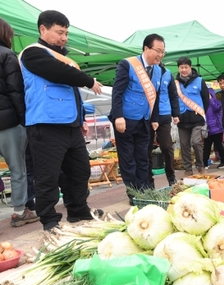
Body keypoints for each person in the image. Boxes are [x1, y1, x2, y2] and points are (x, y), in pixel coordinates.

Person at [19, 10, 104, 230]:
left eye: (66, 33)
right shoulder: (32, 54)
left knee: (80, 170)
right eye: (59, 32)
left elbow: (72, 92)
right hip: (46, 125)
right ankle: (49, 220)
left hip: (70, 125)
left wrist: (81, 119)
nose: (64, 38)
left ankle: (78, 210)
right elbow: (58, 73)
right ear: (43, 29)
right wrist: (87, 80)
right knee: (47, 176)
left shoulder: (65, 58)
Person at [110, 33, 164, 204]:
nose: (160, 55)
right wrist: (118, 116)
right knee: (128, 159)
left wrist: (154, 117)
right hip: (125, 120)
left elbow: (156, 94)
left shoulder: (158, 70)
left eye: (163, 52)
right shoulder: (128, 64)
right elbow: (117, 91)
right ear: (146, 48)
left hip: (144, 121)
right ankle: (133, 193)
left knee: (143, 158)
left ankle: (145, 191)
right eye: (158, 51)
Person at [0, 18, 32, 226]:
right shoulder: (7, 55)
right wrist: (24, 119)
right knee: (17, 168)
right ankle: (20, 211)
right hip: (8, 122)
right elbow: (15, 90)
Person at [175, 57, 210, 176]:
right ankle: (188, 169)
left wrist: (201, 112)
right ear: (178, 68)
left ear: (190, 67)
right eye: (181, 67)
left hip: (196, 118)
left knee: (196, 142)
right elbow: (173, 100)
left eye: (186, 67)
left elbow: (206, 100)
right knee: (184, 145)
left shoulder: (199, 80)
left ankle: (201, 166)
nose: (184, 70)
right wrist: (174, 114)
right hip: (182, 118)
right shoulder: (175, 83)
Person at [148, 62, 180, 187]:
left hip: (164, 114)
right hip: (148, 115)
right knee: (147, 149)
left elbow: (173, 95)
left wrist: (175, 113)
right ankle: (149, 180)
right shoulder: (145, 71)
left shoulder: (167, 73)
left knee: (166, 146)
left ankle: (171, 176)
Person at [203, 88, 224, 169]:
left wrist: (211, 99)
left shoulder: (217, 102)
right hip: (208, 129)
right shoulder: (204, 104)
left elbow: (216, 108)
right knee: (207, 147)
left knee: (219, 146)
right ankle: (205, 163)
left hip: (217, 128)